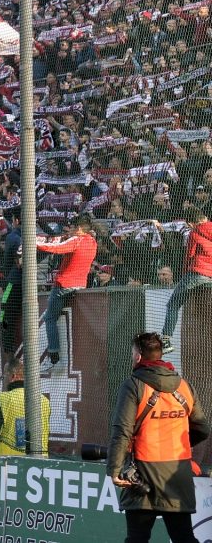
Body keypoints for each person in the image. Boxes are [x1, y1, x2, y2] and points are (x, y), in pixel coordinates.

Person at [107, 332, 209, 543]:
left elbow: (122, 431)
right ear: (160, 355)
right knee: (183, 537)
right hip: (177, 473)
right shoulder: (184, 386)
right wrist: (176, 448)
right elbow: (202, 428)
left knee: (137, 537)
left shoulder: (133, 385)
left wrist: (114, 470)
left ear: (138, 356)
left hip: (142, 474)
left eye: (133, 353)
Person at [38, 215, 97, 370]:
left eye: (71, 228)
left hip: (64, 285)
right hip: (80, 286)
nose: (69, 231)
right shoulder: (92, 242)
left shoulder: (76, 240)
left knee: (49, 318)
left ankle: (54, 359)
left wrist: (34, 243)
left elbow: (56, 249)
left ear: (78, 229)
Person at [163, 208, 212, 354]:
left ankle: (166, 341)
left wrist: (184, 275)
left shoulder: (194, 233)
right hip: (210, 276)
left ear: (191, 223)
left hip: (196, 273)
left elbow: (189, 255)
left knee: (173, 304)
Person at [0, 360, 50, 456]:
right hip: (40, 463)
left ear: (12, 376)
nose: (3, 380)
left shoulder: (2, 399)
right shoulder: (44, 401)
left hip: (8, 462)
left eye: (4, 377)